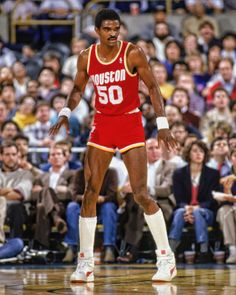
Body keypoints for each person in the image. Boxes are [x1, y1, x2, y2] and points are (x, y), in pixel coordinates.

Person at [49, 9, 177, 283]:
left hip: (130, 123)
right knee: (90, 192)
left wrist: (163, 124)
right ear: (97, 30)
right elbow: (77, 89)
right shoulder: (87, 57)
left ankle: (166, 258)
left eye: (116, 28)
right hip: (103, 124)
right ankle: (85, 263)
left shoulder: (132, 52)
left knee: (141, 194)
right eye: (107, 28)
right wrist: (65, 113)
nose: (113, 32)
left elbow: (153, 87)